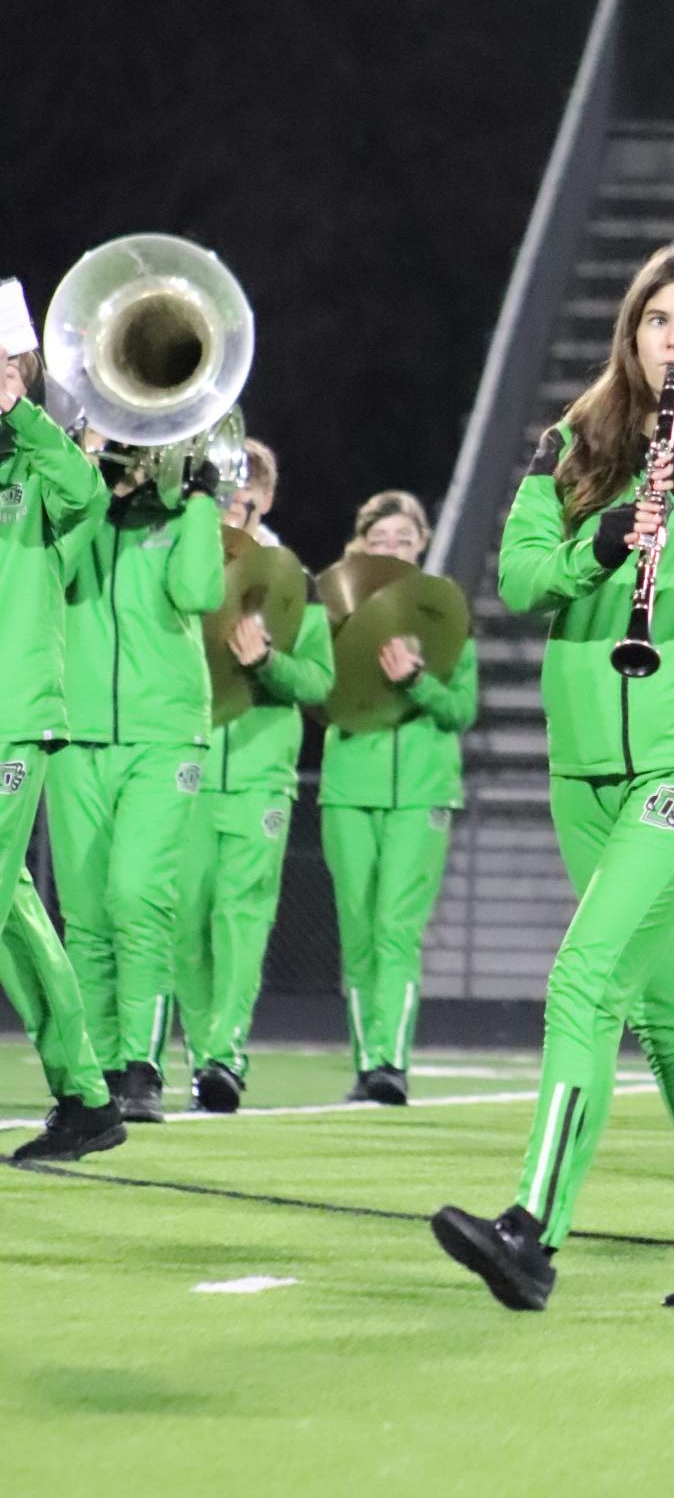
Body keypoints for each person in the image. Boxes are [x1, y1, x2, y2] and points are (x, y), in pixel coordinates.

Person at [430, 243, 674, 1312]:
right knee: (670, 1022)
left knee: (581, 979)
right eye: (659, 321)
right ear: (632, 333)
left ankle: (532, 1231)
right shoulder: (573, 441)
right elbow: (518, 579)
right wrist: (604, 546)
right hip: (584, 769)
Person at [45, 417, 226, 1123]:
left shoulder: (183, 517)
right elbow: (54, 569)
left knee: (136, 894)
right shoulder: (82, 512)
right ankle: (98, 1075)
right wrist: (85, 473)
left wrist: (202, 498)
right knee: (85, 915)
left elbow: (199, 591)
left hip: (164, 733)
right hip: (78, 730)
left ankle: (142, 1067)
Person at [174, 441, 335, 1110]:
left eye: (242, 494)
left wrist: (268, 659)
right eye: (220, 491)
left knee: (241, 917)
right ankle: (196, 1050)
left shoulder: (293, 579)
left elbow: (321, 681)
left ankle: (223, 1057)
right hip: (187, 767)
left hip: (261, 774)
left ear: (264, 499)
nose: (231, 504)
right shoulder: (184, 562)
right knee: (184, 922)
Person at [0, 339, 126, 1164]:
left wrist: (22, 414)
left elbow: (87, 499)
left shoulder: (41, 467)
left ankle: (87, 1094)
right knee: (15, 912)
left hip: (11, 714)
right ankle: (85, 1095)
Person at [320, 490, 478, 1106]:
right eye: (378, 541)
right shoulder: (331, 613)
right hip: (348, 787)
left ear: (422, 547)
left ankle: (391, 1062)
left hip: (423, 791)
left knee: (396, 928)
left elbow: (462, 710)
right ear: (359, 547)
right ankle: (366, 1063)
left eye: (403, 542)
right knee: (359, 932)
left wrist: (417, 681)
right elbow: (317, 692)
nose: (391, 551)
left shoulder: (446, 617)